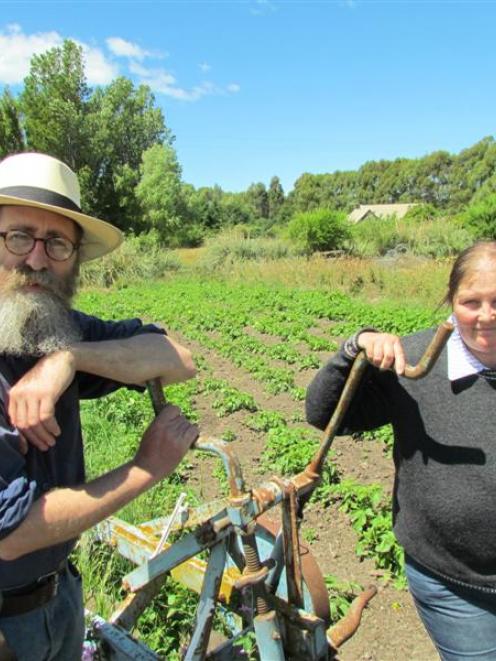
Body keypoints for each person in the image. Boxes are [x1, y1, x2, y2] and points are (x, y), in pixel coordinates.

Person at [0, 152, 199, 660]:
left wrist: (67, 358)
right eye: (18, 236)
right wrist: (145, 469)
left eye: (57, 243)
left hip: (61, 593)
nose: (37, 259)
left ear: (74, 259)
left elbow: (176, 357)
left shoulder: (51, 326)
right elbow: (10, 533)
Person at [306, 241, 496, 661]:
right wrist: (354, 348)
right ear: (451, 301)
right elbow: (323, 413)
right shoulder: (415, 362)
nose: (487, 316)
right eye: (471, 301)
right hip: (455, 586)